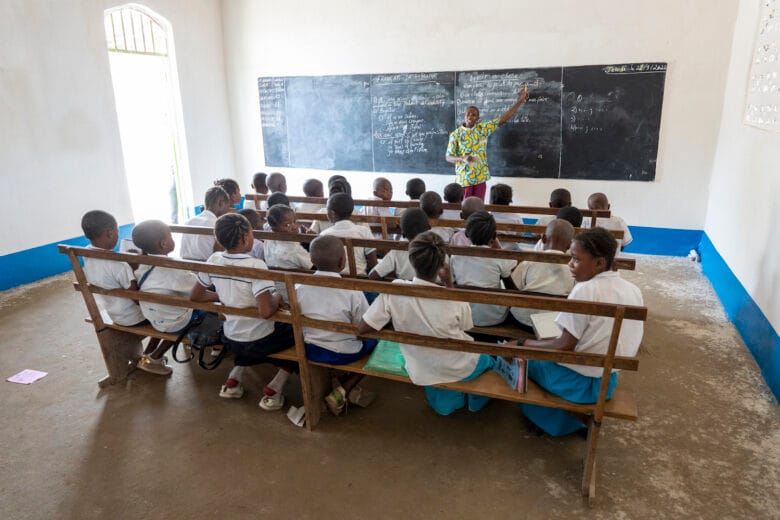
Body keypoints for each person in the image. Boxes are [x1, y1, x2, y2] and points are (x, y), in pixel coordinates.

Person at [515, 227, 643, 437]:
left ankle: (555, 422)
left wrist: (521, 345)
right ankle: (575, 421)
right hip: (607, 381)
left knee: (522, 361)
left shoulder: (585, 289)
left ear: (599, 263)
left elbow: (563, 345)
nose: (570, 264)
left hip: (578, 384)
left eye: (575, 259)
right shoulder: (633, 289)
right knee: (541, 350)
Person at [358, 231, 496, 416]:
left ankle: (454, 396)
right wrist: (449, 284)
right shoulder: (455, 298)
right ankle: (474, 400)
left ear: (411, 260)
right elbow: (466, 327)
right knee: (490, 360)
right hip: (459, 365)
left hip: (420, 367)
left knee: (444, 408)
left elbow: (363, 327)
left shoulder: (395, 290)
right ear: (442, 265)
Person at [191, 213, 297, 411]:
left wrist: (223, 296)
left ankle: (234, 379)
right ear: (245, 238)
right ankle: (276, 386)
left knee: (245, 333)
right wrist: (277, 299)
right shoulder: (255, 265)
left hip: (230, 338)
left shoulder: (213, 259)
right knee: (299, 334)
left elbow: (196, 296)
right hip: (260, 340)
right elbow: (266, 311)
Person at [295, 235, 377, 415]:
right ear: (342, 262)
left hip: (310, 349)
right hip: (343, 352)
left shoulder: (299, 288)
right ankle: (344, 389)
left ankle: (338, 379)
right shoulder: (351, 290)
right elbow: (363, 326)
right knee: (378, 345)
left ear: (311, 259)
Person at [133, 220, 217, 375]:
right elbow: (199, 293)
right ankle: (156, 358)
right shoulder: (173, 269)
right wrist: (221, 296)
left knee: (169, 312)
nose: (172, 238)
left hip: (155, 318)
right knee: (210, 309)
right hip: (176, 323)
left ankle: (148, 354)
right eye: (170, 235)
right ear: (163, 243)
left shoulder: (142, 263)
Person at [445, 85, 529, 200]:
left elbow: (503, 119)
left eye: (474, 114)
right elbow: (448, 157)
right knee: (465, 209)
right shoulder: (455, 134)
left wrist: (520, 101)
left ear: (478, 118)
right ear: (464, 116)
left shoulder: (482, 129)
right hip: (464, 179)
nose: (470, 116)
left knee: (479, 208)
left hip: (480, 177)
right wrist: (462, 158)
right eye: (468, 114)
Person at [80, 210, 146, 327]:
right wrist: (133, 269)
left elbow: (108, 272)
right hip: (135, 317)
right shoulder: (120, 265)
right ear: (110, 233)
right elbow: (137, 298)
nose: (117, 234)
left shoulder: (86, 253)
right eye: (117, 231)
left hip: (114, 315)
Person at [450, 211, 516, 327]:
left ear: (467, 234)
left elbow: (454, 282)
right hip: (495, 318)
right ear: (494, 236)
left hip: (466, 316)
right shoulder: (498, 257)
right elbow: (510, 287)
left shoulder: (456, 257)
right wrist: (499, 249)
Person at [509, 219, 576, 330]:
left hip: (523, 320)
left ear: (543, 238)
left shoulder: (528, 262)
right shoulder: (574, 268)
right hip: (553, 323)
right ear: (569, 245)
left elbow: (514, 286)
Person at [263, 204, 313, 300]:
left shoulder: (268, 239)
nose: (294, 227)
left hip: (277, 292)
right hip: (295, 294)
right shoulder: (293, 250)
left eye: (295, 221)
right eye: (287, 225)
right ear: (274, 227)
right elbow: (311, 265)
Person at [320, 193, 377, 276]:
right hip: (360, 280)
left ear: (332, 213)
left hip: (333, 280)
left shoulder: (324, 235)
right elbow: (373, 262)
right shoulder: (364, 231)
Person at [369, 207, 431, 281]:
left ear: (403, 233)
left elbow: (372, 275)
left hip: (403, 290)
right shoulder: (437, 249)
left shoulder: (396, 251)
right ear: (428, 228)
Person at [180, 187, 232, 260]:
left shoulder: (189, 221)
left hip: (186, 267)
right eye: (228, 205)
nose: (228, 209)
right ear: (221, 203)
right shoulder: (217, 224)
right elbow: (222, 255)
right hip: (207, 267)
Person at [489, 183, 523, 250]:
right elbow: (519, 237)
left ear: (492, 200)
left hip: (492, 249)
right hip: (511, 249)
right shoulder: (516, 217)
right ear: (510, 199)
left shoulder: (488, 216)